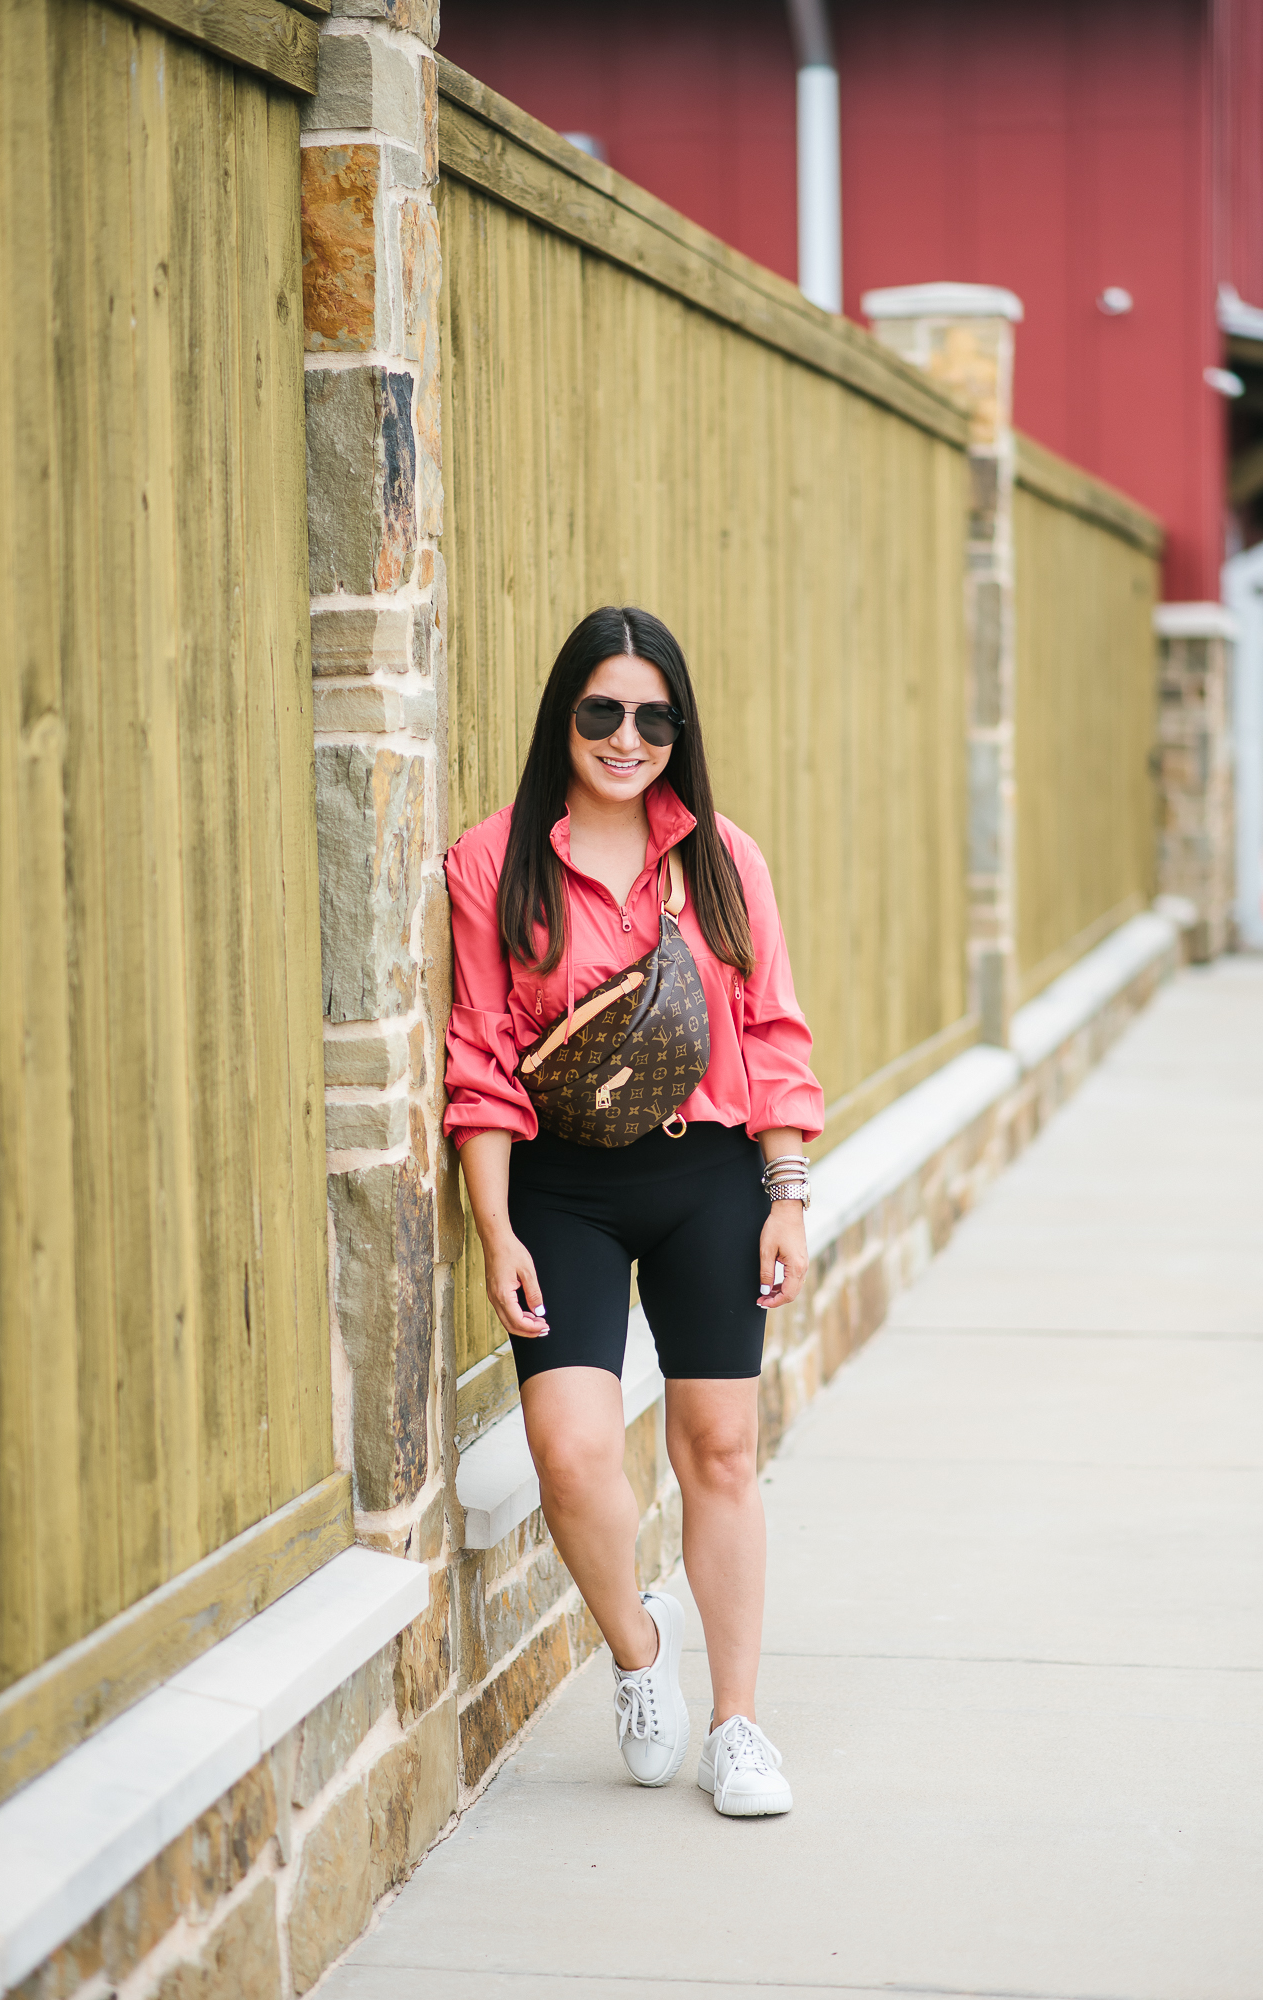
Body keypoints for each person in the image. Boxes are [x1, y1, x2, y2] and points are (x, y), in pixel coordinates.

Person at [443, 605, 823, 1817]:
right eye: (603, 709)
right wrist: (497, 1228)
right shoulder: (491, 861)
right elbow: (482, 1059)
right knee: (570, 1451)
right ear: (565, 714)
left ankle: (738, 1724)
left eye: (654, 715)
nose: (627, 735)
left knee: (719, 1448)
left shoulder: (722, 858)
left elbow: (771, 1033)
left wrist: (785, 1194)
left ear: (680, 727)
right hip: (563, 1187)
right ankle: (641, 1649)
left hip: (710, 1173)